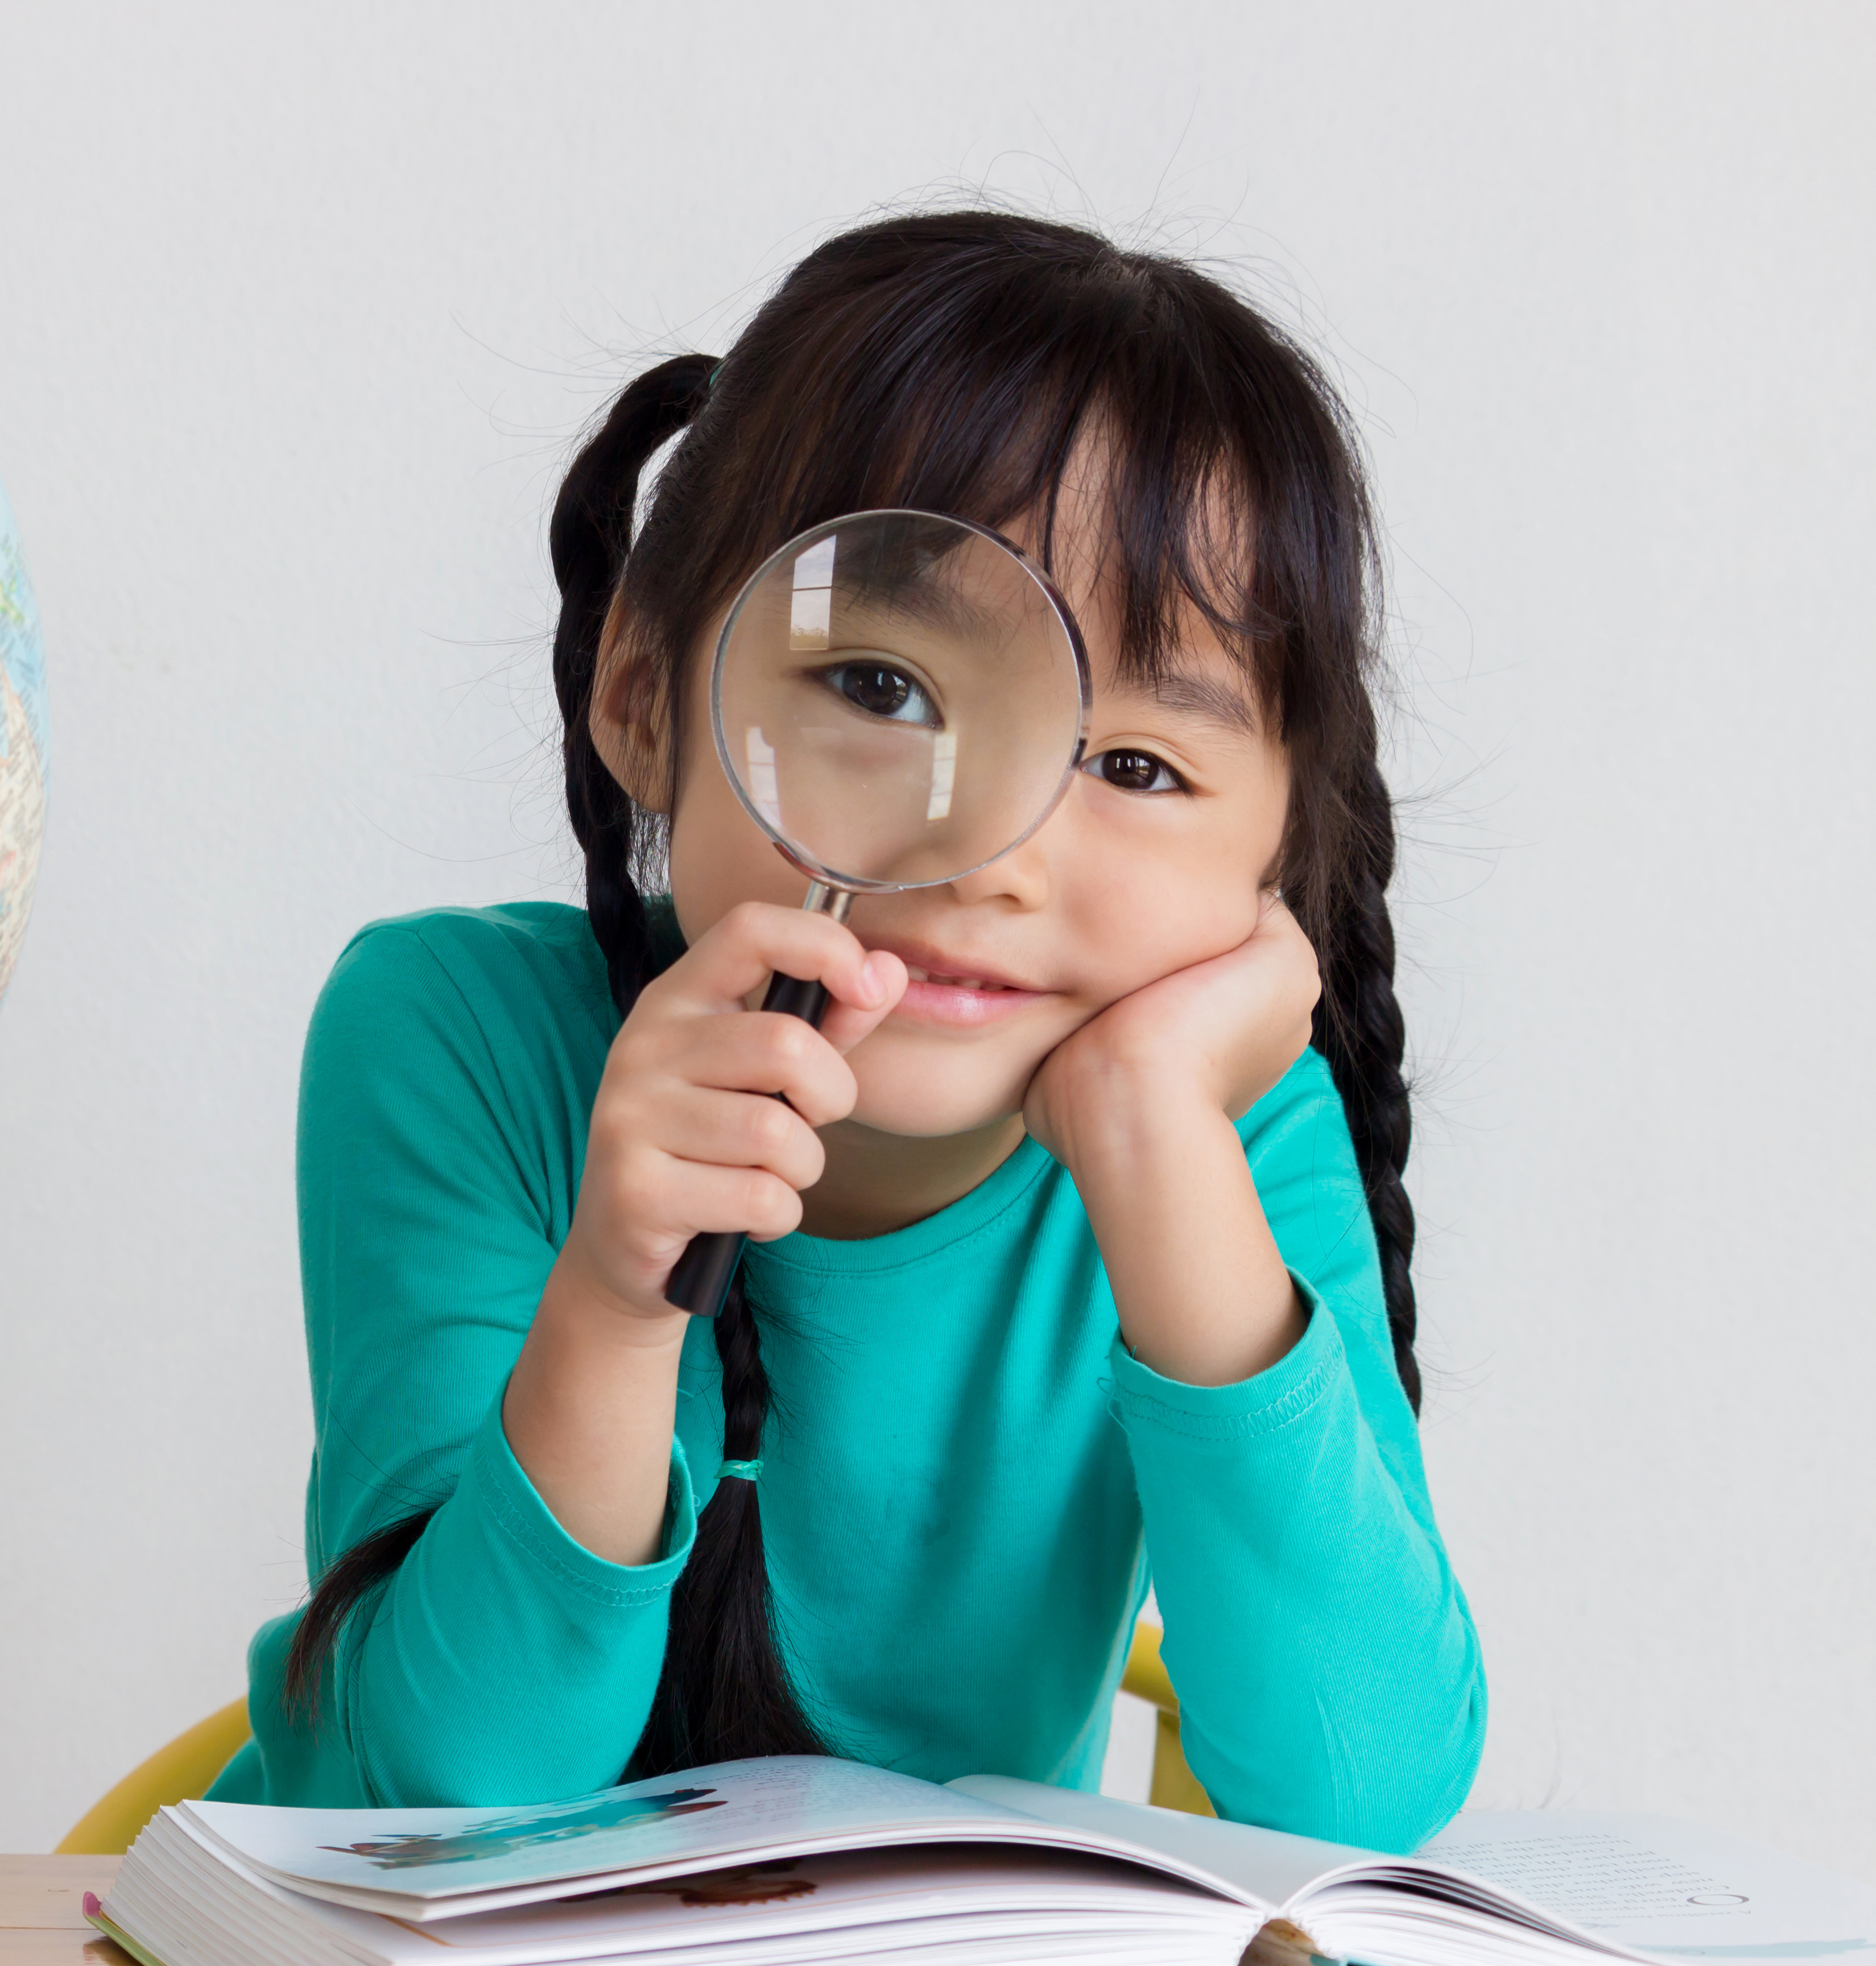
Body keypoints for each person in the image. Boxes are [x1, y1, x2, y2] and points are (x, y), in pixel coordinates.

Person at [205, 210, 1484, 1853]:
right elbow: (452, 1788)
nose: (999, 853)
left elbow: (1362, 1794)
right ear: (650, 699)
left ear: (1274, 875)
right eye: (886, 688)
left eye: (1140, 769)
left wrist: (1164, 1142)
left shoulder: (1222, 1140)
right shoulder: (456, 1035)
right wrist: (616, 1289)